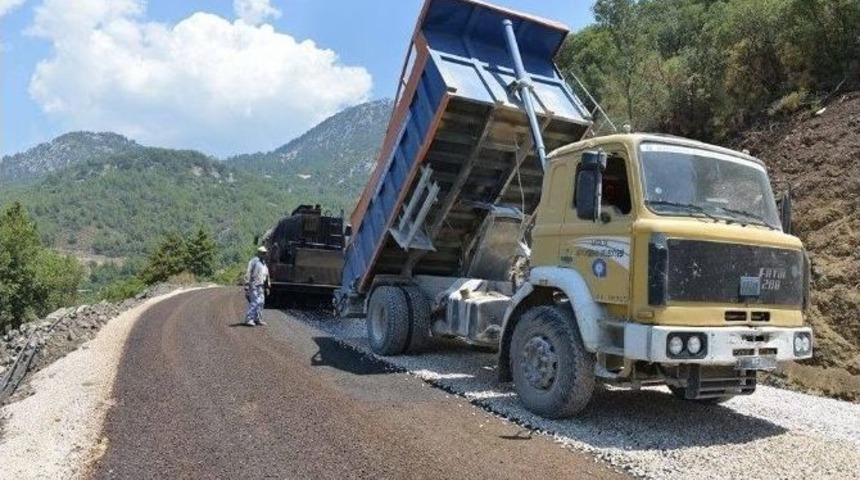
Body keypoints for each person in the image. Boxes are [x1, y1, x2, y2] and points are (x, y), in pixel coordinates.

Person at [243, 246, 270, 327]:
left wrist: (267, 286)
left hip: (261, 286)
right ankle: (249, 319)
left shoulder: (264, 263)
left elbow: (266, 275)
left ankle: (257, 319)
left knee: (261, 302)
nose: (264, 254)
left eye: (265, 253)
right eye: (263, 253)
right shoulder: (254, 261)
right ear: (259, 253)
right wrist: (247, 284)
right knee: (255, 302)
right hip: (254, 285)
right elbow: (248, 272)